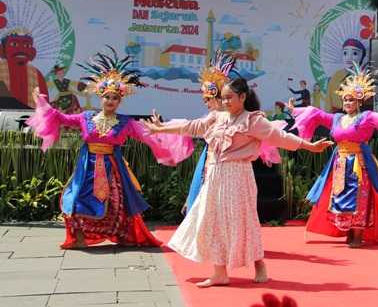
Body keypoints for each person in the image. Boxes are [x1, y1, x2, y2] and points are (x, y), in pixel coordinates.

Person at [142, 77, 332, 287]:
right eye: (223, 98)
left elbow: (280, 137)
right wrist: (161, 129)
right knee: (212, 220)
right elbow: (192, 127)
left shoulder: (253, 121)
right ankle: (220, 273)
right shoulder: (217, 117)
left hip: (238, 175)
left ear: (242, 97)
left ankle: (259, 263)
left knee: (241, 220)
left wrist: (309, 146)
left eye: (229, 98)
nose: (225, 102)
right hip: (215, 175)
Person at [25, 47, 194, 249]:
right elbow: (60, 118)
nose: (110, 101)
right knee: (76, 198)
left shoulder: (125, 122)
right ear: (100, 97)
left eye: (115, 98)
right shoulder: (85, 117)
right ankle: (80, 238)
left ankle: (123, 235)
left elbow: (148, 134)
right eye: (107, 97)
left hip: (112, 168)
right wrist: (41, 102)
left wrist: (170, 128)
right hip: (87, 166)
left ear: (120, 100)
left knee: (118, 203)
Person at [288, 63, 378, 247]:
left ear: (359, 101)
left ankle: (358, 234)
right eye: (345, 100)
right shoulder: (336, 118)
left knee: (360, 198)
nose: (348, 103)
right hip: (340, 164)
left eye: (351, 100)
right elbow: (315, 114)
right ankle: (349, 232)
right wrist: (295, 111)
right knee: (341, 197)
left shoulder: (367, 117)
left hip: (359, 165)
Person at [182, 52, 236, 216]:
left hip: (226, 164)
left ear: (218, 98)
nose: (205, 103)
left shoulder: (233, 119)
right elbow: (188, 127)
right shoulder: (210, 118)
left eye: (207, 99)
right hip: (209, 160)